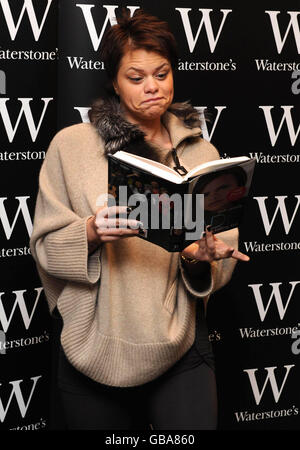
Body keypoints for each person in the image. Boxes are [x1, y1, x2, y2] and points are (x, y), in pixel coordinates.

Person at [30, 9, 250, 430]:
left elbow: (218, 249)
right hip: (92, 346)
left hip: (181, 343)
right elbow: (44, 249)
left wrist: (202, 256)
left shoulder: (203, 155)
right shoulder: (71, 147)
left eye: (162, 73)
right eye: (136, 77)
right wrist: (90, 233)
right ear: (114, 81)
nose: (153, 87)